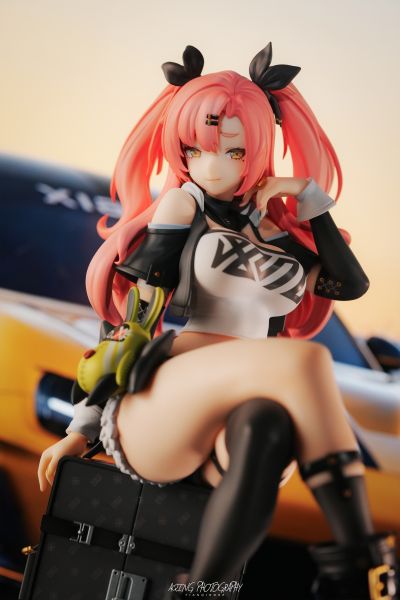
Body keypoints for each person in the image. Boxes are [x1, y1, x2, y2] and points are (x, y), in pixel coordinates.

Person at [38, 44, 398, 599]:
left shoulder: (279, 234)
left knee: (269, 424)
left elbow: (349, 284)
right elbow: (137, 318)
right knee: (304, 359)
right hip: (171, 394)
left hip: (244, 415)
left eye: (234, 151)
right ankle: (359, 568)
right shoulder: (182, 208)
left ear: (258, 153)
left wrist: (309, 198)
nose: (212, 166)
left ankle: (203, 590)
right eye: (196, 149)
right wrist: (82, 425)